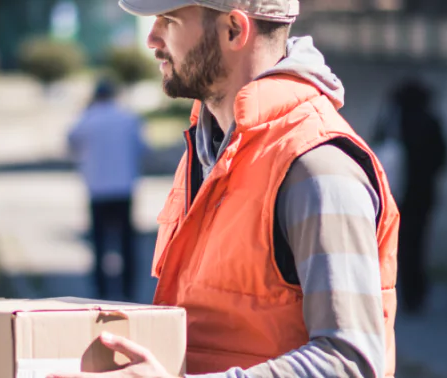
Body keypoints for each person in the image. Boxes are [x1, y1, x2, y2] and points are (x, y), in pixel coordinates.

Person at [51, 1, 400, 378]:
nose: (151, 40)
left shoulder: (317, 168)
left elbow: (351, 364)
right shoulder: (209, 153)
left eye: (167, 21)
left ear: (233, 29)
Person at [67, 78, 148, 301]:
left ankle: (101, 291)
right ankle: (128, 289)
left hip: (98, 188)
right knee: (126, 243)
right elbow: (143, 147)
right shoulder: (128, 118)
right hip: (123, 187)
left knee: (100, 244)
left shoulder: (88, 118)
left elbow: (70, 141)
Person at [374, 78, 447, 314]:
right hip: (422, 194)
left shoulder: (393, 122)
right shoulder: (430, 121)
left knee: (395, 244)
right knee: (418, 243)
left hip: (395, 193)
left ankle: (397, 291)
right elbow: (444, 156)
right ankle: (416, 293)